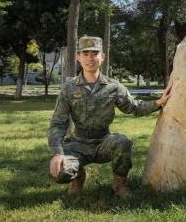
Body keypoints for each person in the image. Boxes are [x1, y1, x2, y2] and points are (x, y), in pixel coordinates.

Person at [48, 36, 171, 198]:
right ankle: (77, 178)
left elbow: (133, 107)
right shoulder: (68, 88)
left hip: (103, 142)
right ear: (78, 57)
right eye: (85, 54)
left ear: (102, 57)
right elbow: (58, 123)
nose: (90, 58)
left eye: (94, 54)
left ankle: (119, 184)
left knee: (122, 142)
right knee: (59, 172)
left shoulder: (113, 87)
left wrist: (158, 102)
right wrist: (58, 152)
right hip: (77, 144)